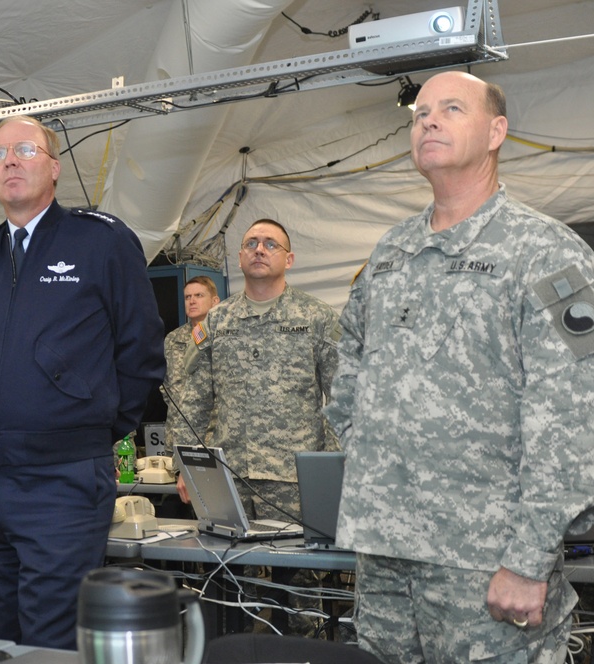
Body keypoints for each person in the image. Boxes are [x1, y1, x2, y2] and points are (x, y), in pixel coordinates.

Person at [324, 71, 594, 662]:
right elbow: (349, 372)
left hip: (486, 560)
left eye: (451, 108)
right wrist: (380, 459)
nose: (429, 121)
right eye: (420, 113)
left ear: (497, 131)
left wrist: (527, 560)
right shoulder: (392, 251)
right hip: (385, 554)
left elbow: (574, 417)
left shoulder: (545, 251)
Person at [0, 115, 166, 648]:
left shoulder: (101, 241)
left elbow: (141, 348)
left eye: (25, 149)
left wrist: (94, 430)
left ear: (53, 167)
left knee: (50, 640)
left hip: (64, 478)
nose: (9, 160)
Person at [167, 218, 340, 635]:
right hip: (232, 483)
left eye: (270, 244)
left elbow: (343, 398)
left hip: (295, 480)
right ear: (239, 257)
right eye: (251, 243)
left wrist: (335, 469)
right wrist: (185, 466)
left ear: (289, 258)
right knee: (234, 592)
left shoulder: (317, 318)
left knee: (303, 597)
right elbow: (193, 400)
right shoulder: (217, 322)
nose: (259, 249)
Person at [161, 276, 220, 451]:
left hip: (214, 436)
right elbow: (165, 385)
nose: (192, 301)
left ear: (215, 301)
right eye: (188, 297)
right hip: (178, 433)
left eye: (199, 296)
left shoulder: (224, 337)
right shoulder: (173, 339)